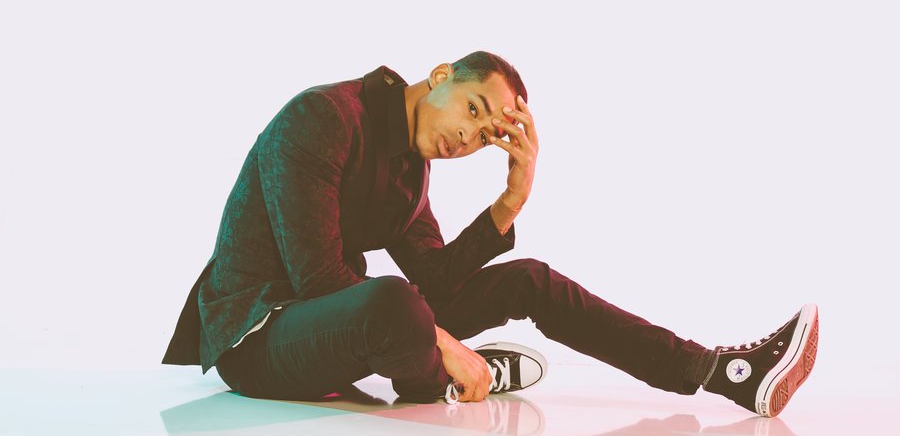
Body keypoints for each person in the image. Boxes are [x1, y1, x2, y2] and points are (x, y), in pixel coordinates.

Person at [161, 50, 818, 417]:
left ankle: (720, 372)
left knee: (523, 280)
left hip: (342, 330)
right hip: (259, 336)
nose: (466, 137)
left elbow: (436, 280)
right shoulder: (325, 116)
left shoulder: (409, 169)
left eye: (483, 136)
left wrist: (510, 200)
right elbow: (319, 280)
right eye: (472, 110)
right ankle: (443, 374)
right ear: (441, 75)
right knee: (390, 302)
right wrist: (443, 339)